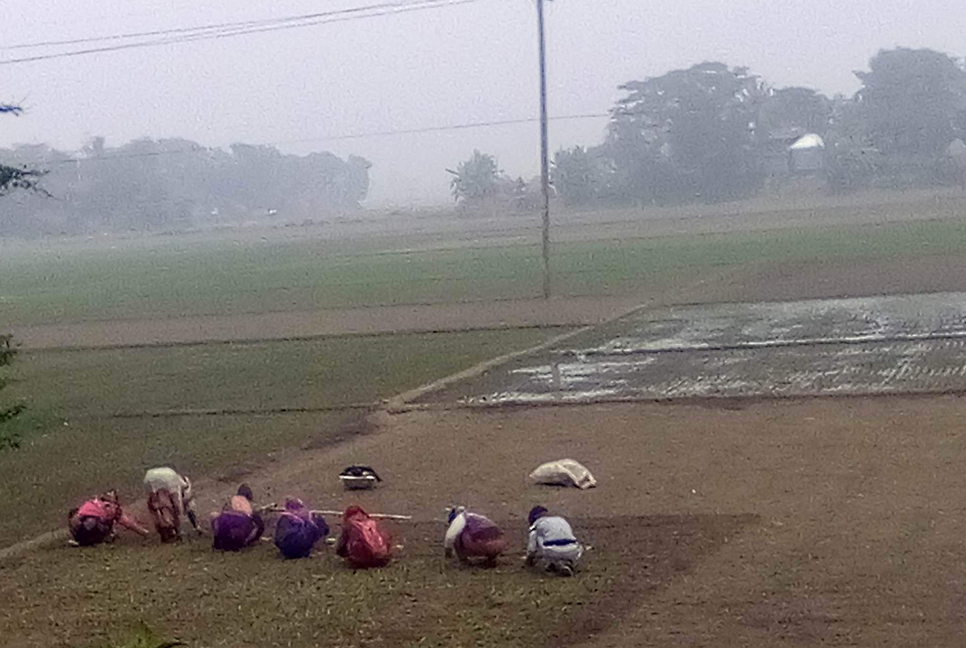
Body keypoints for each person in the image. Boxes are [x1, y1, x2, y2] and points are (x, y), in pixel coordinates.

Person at [68, 489, 150, 546]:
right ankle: (93, 540)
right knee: (103, 523)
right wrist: (144, 532)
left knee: (101, 521)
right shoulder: (112, 508)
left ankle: (81, 540)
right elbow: (128, 523)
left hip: (76, 528)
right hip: (89, 525)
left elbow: (75, 516)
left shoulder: (93, 503)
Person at [143, 466, 201, 542]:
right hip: (168, 479)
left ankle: (163, 530)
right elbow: (179, 504)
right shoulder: (178, 483)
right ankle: (177, 531)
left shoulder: (174, 481)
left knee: (156, 506)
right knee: (176, 508)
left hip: (149, 477)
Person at [525, 506, 583, 577]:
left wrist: (529, 559)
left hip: (552, 550)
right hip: (573, 550)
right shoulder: (561, 520)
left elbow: (532, 548)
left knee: (540, 537)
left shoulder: (537, 524)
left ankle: (556, 563)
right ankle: (567, 562)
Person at [210, 484, 266, 552]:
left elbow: (221, 514)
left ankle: (218, 542)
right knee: (255, 524)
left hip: (223, 529)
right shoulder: (249, 504)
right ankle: (244, 542)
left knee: (214, 516)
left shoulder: (229, 501)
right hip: (239, 531)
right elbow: (260, 525)